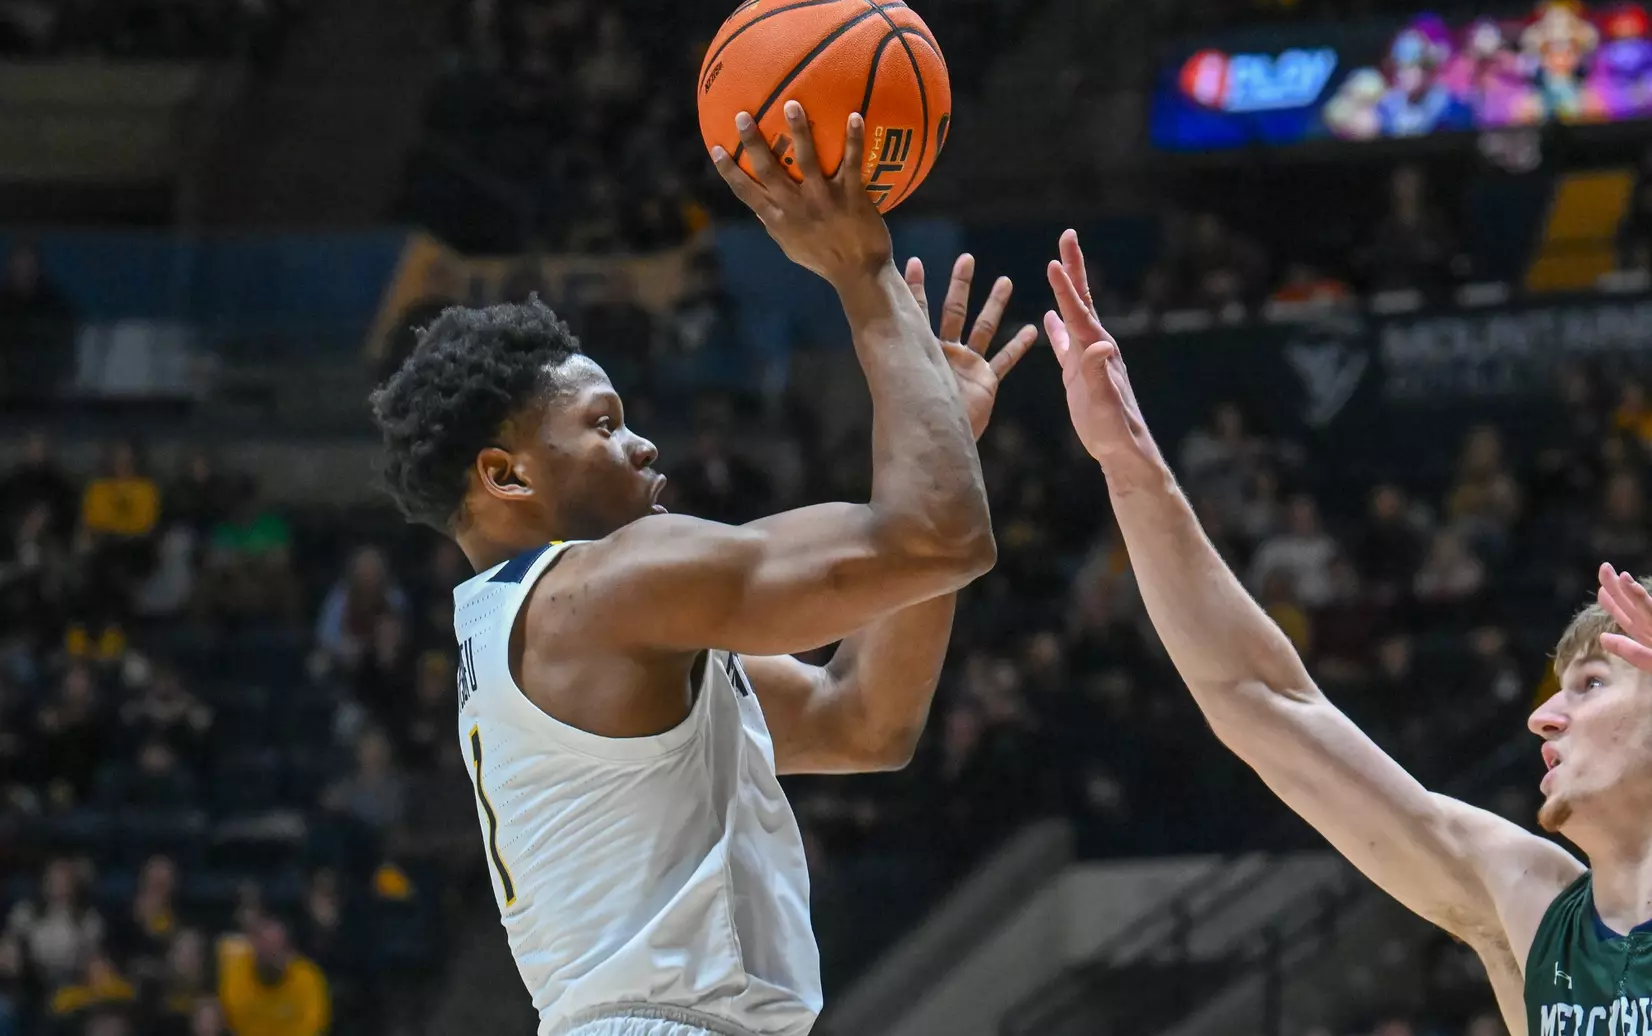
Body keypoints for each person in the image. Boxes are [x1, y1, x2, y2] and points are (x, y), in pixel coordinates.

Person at [369, 102, 1035, 1036]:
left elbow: (863, 720)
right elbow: (938, 537)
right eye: (603, 424)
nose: (642, 445)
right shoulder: (605, 589)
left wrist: (937, 434)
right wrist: (863, 273)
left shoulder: (563, 624)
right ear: (505, 473)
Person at [1040, 227, 1651, 1036]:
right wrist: (1132, 466)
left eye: (1593, 684)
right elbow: (1262, 701)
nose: (1544, 715)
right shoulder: (1531, 905)